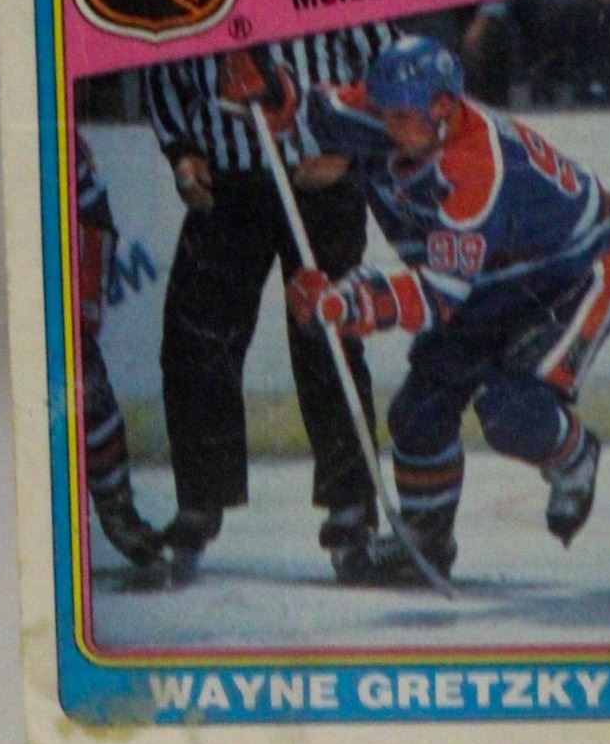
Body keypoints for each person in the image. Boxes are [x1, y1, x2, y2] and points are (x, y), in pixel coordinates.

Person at [265, 34, 610, 583]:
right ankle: (427, 539)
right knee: (418, 413)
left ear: (442, 106)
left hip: (571, 277)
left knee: (513, 414)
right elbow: (302, 108)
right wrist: (262, 85)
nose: (388, 127)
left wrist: (344, 303)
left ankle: (575, 457)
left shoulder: (475, 168)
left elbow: (437, 297)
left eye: (401, 116)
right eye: (382, 111)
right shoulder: (389, 108)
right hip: (485, 280)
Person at [143, 28, 392, 576]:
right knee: (195, 339)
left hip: (322, 181)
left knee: (327, 337)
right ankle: (199, 504)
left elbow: (390, 68)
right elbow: (161, 69)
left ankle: (351, 512)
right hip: (227, 183)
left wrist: (349, 152)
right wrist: (182, 151)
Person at [72, 116, 164, 568]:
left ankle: (117, 510)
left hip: (53, 269)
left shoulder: (62, 147)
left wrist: (85, 303)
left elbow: (94, 219)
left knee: (87, 388)